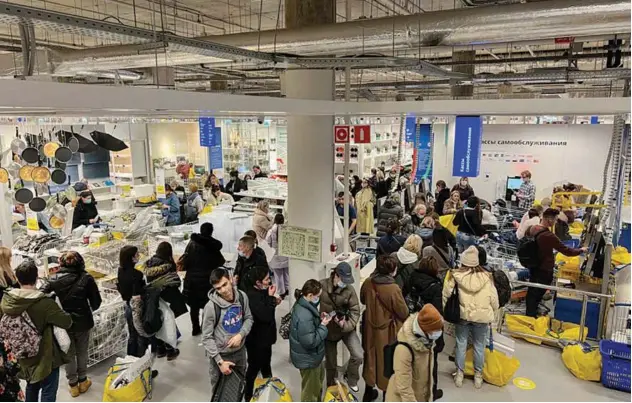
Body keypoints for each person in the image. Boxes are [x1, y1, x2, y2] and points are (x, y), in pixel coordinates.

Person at [1, 260, 72, 402]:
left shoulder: (7, 301)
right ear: (36, 278)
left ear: (17, 278)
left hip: (21, 353)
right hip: (45, 355)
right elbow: (67, 322)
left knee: (31, 385)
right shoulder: (44, 303)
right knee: (48, 390)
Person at [40, 251, 101, 397]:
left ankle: (73, 385)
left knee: (68, 353)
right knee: (82, 351)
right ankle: (83, 381)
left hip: (63, 323)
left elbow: (41, 295)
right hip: (83, 321)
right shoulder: (87, 278)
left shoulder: (53, 279)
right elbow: (96, 302)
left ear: (61, 263)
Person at [442, 246, 499, 389]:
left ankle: (459, 374)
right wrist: (494, 310)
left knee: (461, 344)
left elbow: (446, 295)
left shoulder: (455, 275)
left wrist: (446, 311)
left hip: (463, 315)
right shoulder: (487, 277)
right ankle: (478, 376)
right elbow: (494, 299)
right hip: (482, 317)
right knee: (479, 346)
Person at [361, 255, 409, 401]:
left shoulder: (369, 283)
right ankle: (386, 396)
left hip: (369, 328)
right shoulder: (393, 288)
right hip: (388, 331)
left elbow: (363, 299)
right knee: (386, 362)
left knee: (370, 357)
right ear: (391, 270)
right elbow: (403, 312)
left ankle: (368, 392)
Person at [202, 268, 253, 399]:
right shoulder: (211, 307)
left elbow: (248, 318)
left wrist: (241, 334)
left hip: (240, 353)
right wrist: (220, 362)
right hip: (221, 357)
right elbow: (206, 337)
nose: (223, 290)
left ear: (230, 279)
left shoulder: (242, 297)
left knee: (238, 390)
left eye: (225, 284)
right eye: (218, 288)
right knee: (221, 395)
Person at [525, 208, 586, 317]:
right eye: (555, 220)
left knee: (532, 293)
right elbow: (567, 251)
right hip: (544, 269)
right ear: (549, 220)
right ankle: (531, 317)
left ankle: (530, 314)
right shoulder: (549, 236)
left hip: (534, 266)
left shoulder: (532, 229)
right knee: (537, 293)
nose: (555, 222)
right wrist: (581, 250)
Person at [404, 257, 445, 400]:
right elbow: (438, 313)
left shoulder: (411, 278)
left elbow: (404, 296)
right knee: (430, 363)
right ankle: (431, 392)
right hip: (428, 329)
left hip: (411, 323)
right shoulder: (435, 286)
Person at [385, 305, 444, 402]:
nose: (439, 333)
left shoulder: (427, 341)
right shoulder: (404, 349)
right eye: (436, 330)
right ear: (426, 329)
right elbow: (404, 388)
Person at [320, 263, 362, 392]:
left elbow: (355, 311)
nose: (345, 283)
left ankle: (351, 377)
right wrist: (320, 318)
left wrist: (346, 324)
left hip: (345, 329)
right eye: (343, 280)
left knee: (358, 355)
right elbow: (312, 302)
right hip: (328, 330)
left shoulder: (349, 291)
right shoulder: (321, 285)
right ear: (336, 276)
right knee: (331, 364)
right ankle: (331, 387)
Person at [181, 223, 226, 336]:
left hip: (192, 280)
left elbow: (185, 261)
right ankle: (206, 328)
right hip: (207, 280)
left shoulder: (192, 244)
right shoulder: (213, 246)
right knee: (207, 305)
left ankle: (195, 328)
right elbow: (221, 261)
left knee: (194, 306)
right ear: (211, 231)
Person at [144, 242, 186, 360]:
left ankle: (160, 349)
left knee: (159, 322)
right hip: (168, 296)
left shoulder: (149, 263)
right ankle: (170, 349)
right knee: (168, 322)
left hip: (155, 297)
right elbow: (175, 281)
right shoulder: (167, 264)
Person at [244, 266, 280, 401]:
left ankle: (269, 390)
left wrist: (272, 301)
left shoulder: (260, 292)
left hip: (265, 339)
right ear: (257, 283)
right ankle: (248, 396)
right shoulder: (251, 297)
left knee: (266, 365)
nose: (269, 281)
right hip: (256, 341)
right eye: (266, 280)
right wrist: (271, 299)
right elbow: (265, 316)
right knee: (254, 368)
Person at [289, 279, 329, 402]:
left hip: (310, 357)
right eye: (318, 296)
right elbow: (310, 342)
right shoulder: (304, 316)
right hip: (309, 359)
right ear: (310, 295)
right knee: (310, 393)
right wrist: (323, 325)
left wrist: (318, 319)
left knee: (316, 386)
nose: (319, 299)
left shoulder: (303, 304)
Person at [116, 245, 150, 358]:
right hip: (137, 307)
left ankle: (130, 360)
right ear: (131, 258)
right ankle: (141, 365)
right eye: (136, 254)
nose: (138, 256)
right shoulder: (137, 275)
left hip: (127, 305)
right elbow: (140, 293)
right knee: (141, 335)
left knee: (132, 335)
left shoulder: (120, 271)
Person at [266, 214, 290, 298]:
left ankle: (281, 291)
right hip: (286, 256)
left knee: (278, 275)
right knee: (286, 273)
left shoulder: (271, 231)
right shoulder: (286, 229)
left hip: (276, 257)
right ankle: (288, 288)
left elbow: (268, 243)